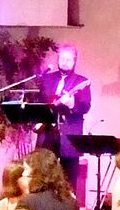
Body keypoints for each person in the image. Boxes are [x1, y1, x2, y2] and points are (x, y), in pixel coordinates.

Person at [34, 43, 91, 187]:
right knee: (42, 175)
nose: (65, 62)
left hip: (69, 135)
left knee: (68, 181)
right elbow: (39, 102)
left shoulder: (81, 81)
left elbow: (85, 106)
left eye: (68, 59)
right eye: (62, 58)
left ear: (74, 61)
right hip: (47, 133)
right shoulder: (47, 79)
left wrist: (72, 103)